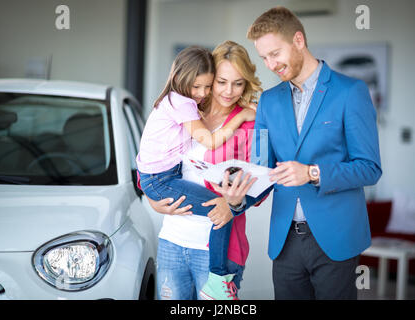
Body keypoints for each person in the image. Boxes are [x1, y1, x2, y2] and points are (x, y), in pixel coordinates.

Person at [213, 6, 382, 300]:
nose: (270, 64)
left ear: (299, 41)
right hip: (285, 242)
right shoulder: (269, 101)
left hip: (336, 239)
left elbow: (369, 167)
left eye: (275, 53)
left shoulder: (350, 91)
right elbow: (262, 170)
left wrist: (312, 173)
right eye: (264, 57)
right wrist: (238, 198)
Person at [145, 41, 263, 300]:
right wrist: (154, 201)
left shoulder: (255, 121)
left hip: (216, 249)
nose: (229, 91)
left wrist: (234, 205)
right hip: (172, 241)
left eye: (238, 83)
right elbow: (155, 163)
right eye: (221, 82)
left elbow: (264, 184)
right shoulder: (186, 109)